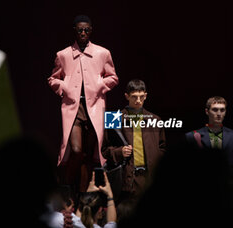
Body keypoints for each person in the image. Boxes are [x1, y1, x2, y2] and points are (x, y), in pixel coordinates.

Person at [48, 15, 119, 192]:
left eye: (86, 29)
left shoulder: (103, 53)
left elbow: (113, 77)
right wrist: (64, 87)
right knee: (76, 149)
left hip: (95, 107)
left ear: (91, 30)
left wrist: (99, 85)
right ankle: (66, 186)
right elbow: (53, 79)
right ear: (74, 31)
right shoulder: (63, 54)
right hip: (74, 108)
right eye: (80, 29)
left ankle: (84, 194)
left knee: (90, 155)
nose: (83, 33)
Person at [101, 79, 166, 203]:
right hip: (127, 178)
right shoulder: (114, 119)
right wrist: (120, 151)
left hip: (149, 178)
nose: (138, 101)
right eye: (134, 97)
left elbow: (162, 148)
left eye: (141, 97)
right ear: (127, 96)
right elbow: (104, 150)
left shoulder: (155, 120)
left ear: (145, 96)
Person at [185, 96, 233, 185]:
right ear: (207, 111)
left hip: (229, 188)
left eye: (222, 110)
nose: (219, 113)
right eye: (215, 110)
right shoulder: (192, 137)